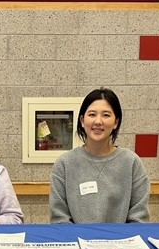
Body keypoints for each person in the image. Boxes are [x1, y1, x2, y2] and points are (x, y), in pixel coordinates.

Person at [49, 88, 150, 224]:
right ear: (82, 121)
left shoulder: (131, 163)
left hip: (121, 243)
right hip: (77, 242)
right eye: (92, 114)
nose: (98, 121)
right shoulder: (64, 164)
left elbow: (139, 218)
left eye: (106, 115)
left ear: (116, 122)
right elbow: (59, 218)